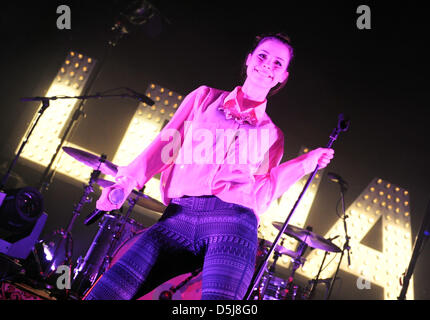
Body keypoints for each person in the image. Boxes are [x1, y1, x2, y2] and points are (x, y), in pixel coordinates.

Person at [84, 32, 334, 300]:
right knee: (106, 293)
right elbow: (163, 147)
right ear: (249, 60)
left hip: (233, 223)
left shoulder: (272, 134)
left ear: (283, 76)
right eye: (262, 56)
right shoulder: (204, 98)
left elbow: (261, 194)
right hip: (178, 217)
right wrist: (125, 183)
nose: (267, 65)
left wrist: (304, 164)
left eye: (277, 63)